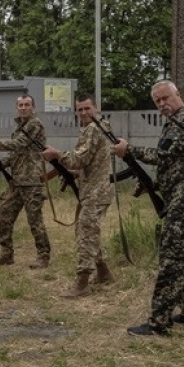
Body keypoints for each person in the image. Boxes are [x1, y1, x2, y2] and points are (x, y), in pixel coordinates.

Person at [112, 80, 184, 336]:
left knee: (170, 259)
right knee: (174, 256)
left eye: (166, 98)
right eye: (157, 101)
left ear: (178, 95)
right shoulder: (174, 122)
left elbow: (164, 155)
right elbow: (177, 163)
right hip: (179, 195)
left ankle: (158, 322)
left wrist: (128, 150)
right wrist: (154, 183)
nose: (162, 104)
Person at [41, 94, 114, 297]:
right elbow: (91, 162)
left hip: (95, 193)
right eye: (80, 109)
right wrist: (74, 173)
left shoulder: (93, 128)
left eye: (87, 108)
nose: (83, 113)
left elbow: (79, 159)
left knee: (85, 234)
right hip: (95, 189)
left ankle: (82, 283)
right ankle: (103, 272)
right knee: (91, 231)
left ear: (96, 108)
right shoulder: (99, 127)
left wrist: (57, 154)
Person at [0, 95, 51, 268]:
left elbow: (19, 144)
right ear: (16, 107)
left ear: (33, 107)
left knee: (34, 220)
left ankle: (43, 256)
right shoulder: (19, 127)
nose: (23, 108)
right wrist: (1, 164)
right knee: (4, 215)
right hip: (16, 182)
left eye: (27, 105)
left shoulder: (34, 124)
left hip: (31, 181)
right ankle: (6, 254)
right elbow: (15, 154)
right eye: (20, 105)